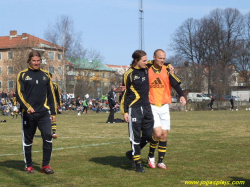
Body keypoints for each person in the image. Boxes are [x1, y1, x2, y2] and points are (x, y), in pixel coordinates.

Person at [16, 50, 57, 174]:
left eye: (38, 61)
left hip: (44, 113)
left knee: (48, 137)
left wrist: (53, 112)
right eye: (34, 61)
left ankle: (46, 166)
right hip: (29, 114)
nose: (36, 63)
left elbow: (51, 95)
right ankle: (29, 166)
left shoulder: (46, 75)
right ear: (29, 61)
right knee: (28, 141)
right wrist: (27, 107)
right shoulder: (22, 74)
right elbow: (19, 93)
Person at [146, 49, 186, 170]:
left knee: (164, 135)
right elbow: (137, 66)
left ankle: (161, 161)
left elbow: (175, 84)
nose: (162, 61)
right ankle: (151, 156)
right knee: (157, 133)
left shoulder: (167, 69)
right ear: (154, 57)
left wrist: (182, 95)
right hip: (152, 105)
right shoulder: (147, 67)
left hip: (164, 106)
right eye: (160, 58)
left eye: (164, 58)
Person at [121, 50, 154, 173]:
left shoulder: (147, 66)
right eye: (144, 60)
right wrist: (124, 112)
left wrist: (168, 64)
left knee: (148, 135)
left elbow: (157, 62)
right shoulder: (128, 74)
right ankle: (138, 163)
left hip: (147, 107)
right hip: (134, 108)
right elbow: (125, 94)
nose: (146, 62)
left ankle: (131, 154)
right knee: (135, 137)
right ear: (136, 61)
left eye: (147, 60)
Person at [49, 73, 62, 139]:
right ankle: (47, 132)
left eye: (49, 77)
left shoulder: (55, 85)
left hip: (53, 104)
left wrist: (59, 104)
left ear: (51, 78)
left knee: (53, 118)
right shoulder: (42, 85)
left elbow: (57, 96)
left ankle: (54, 133)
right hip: (44, 105)